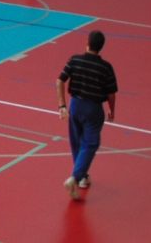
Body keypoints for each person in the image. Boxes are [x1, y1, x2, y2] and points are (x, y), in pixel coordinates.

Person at [56, 30, 118, 200]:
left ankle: (82, 177)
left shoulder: (75, 60)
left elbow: (60, 80)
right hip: (93, 108)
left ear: (87, 43)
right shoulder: (106, 67)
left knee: (77, 142)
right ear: (101, 47)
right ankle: (75, 178)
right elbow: (111, 93)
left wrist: (62, 105)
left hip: (75, 105)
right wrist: (112, 110)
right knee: (90, 143)